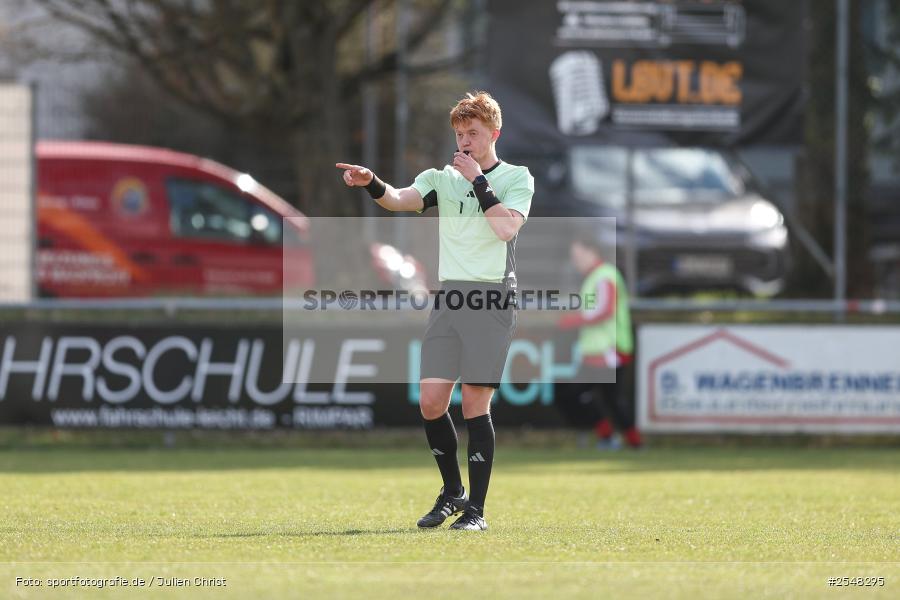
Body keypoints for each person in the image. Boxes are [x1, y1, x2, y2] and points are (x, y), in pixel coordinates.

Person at [336, 91, 534, 531]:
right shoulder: (441, 178)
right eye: (460, 134)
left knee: (475, 405)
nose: (464, 142)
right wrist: (371, 182)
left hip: (491, 299)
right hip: (450, 298)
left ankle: (476, 512)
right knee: (430, 401)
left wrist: (478, 181)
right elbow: (398, 199)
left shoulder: (516, 177)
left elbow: (505, 228)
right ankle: (452, 492)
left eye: (473, 133)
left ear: (494, 134)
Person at [556, 231, 642, 450]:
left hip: (608, 349)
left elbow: (604, 310)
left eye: (578, 256)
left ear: (591, 252)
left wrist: (572, 320)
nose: (576, 262)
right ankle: (624, 440)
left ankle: (618, 439)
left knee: (578, 394)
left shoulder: (604, 276)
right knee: (599, 396)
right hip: (597, 350)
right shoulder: (596, 277)